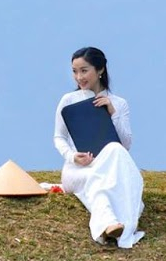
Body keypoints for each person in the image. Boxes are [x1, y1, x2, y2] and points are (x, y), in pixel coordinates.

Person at [53, 46, 145, 248]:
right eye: (75, 71)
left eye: (84, 70)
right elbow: (59, 137)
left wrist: (112, 113)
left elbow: (125, 145)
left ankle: (110, 225)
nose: (79, 77)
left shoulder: (119, 103)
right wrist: (73, 157)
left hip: (108, 167)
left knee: (114, 152)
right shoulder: (69, 101)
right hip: (78, 169)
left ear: (100, 70)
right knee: (97, 178)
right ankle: (112, 224)